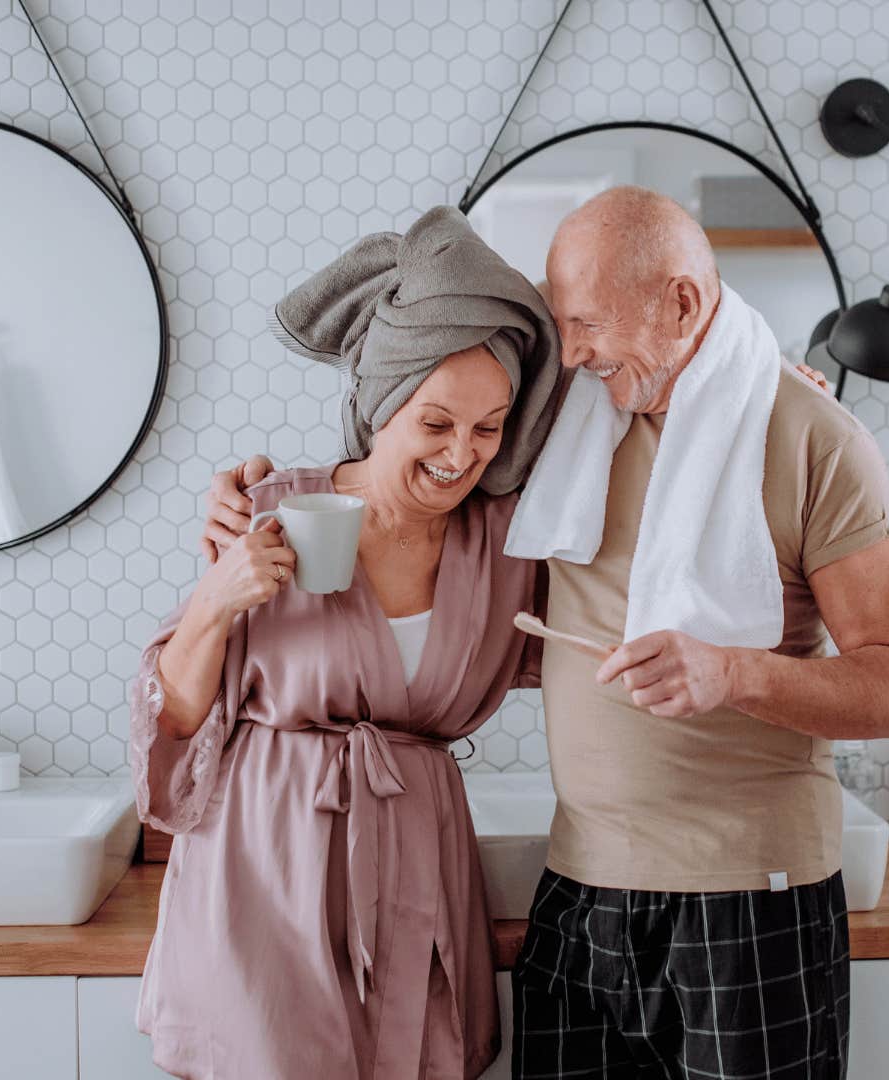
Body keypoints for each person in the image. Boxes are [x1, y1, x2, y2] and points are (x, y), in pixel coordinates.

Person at [203, 186, 889, 1079]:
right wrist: (254, 496)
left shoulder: (819, 441)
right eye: (562, 325)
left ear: (685, 303)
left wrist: (734, 674)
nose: (573, 351)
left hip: (751, 903)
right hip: (582, 898)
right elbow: (418, 466)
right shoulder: (569, 427)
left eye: (589, 323)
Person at [127, 206, 562, 1079]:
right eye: (436, 424)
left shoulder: (509, 544)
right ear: (379, 404)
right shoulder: (269, 509)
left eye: (489, 427)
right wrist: (216, 602)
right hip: (264, 872)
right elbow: (175, 720)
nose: (462, 455)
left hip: (418, 869)